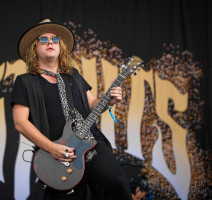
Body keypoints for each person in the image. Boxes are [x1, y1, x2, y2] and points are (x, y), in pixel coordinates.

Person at [11, 19, 132, 199]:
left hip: (90, 143)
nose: (50, 42)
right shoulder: (25, 81)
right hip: (57, 155)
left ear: (61, 46)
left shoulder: (73, 75)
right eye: (43, 40)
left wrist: (110, 100)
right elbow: (20, 123)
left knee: (117, 181)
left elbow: (92, 104)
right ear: (34, 48)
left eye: (55, 39)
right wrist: (51, 147)